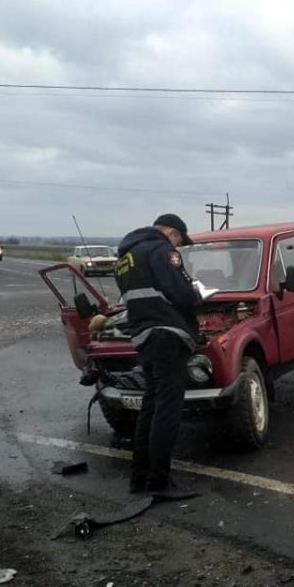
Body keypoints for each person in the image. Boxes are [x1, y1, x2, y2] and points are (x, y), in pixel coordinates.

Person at [115, 213, 201, 500]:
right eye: (179, 240)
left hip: (144, 336)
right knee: (168, 409)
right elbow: (183, 293)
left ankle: (139, 478)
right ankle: (160, 482)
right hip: (168, 335)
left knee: (151, 407)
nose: (178, 246)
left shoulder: (126, 257)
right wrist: (198, 297)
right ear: (171, 232)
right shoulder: (161, 250)